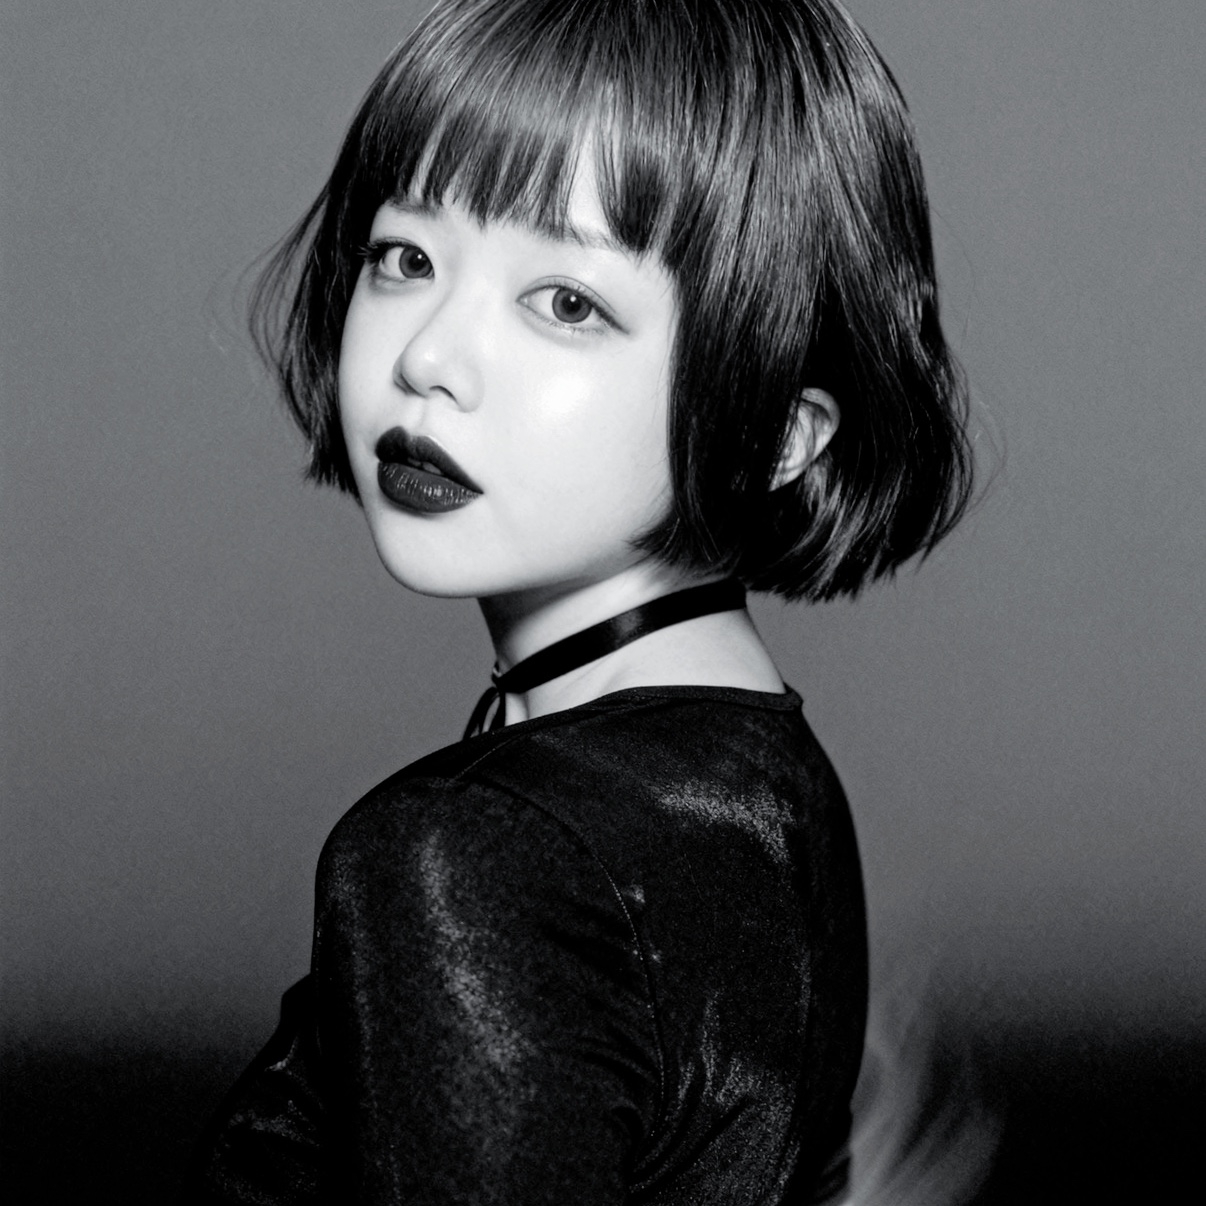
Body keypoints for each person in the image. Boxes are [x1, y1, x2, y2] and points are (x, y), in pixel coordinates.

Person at [183, 0, 972, 1201]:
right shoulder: (774, 789)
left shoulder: (478, 855)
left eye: (565, 302)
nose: (429, 357)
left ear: (776, 431)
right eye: (406, 258)